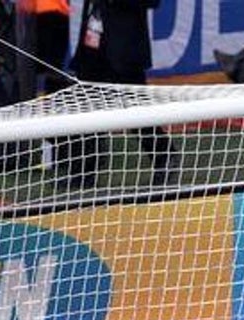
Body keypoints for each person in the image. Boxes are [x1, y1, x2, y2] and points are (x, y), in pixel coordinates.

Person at [61, 0, 176, 187]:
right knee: (85, 106)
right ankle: (83, 171)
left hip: (124, 47)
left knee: (136, 111)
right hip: (93, 43)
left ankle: (164, 156)